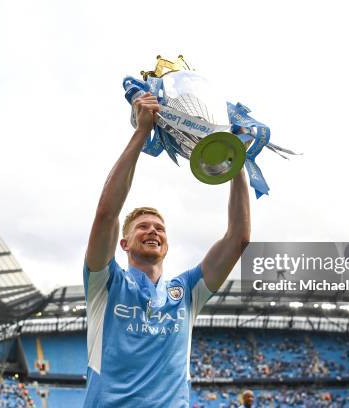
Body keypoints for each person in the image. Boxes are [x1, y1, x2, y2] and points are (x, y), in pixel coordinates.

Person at [82, 92, 250, 407]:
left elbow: (238, 238)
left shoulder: (186, 291)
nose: (153, 231)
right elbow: (106, 215)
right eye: (142, 227)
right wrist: (141, 132)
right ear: (124, 243)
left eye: (159, 228)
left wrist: (235, 159)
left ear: (166, 244)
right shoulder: (104, 284)